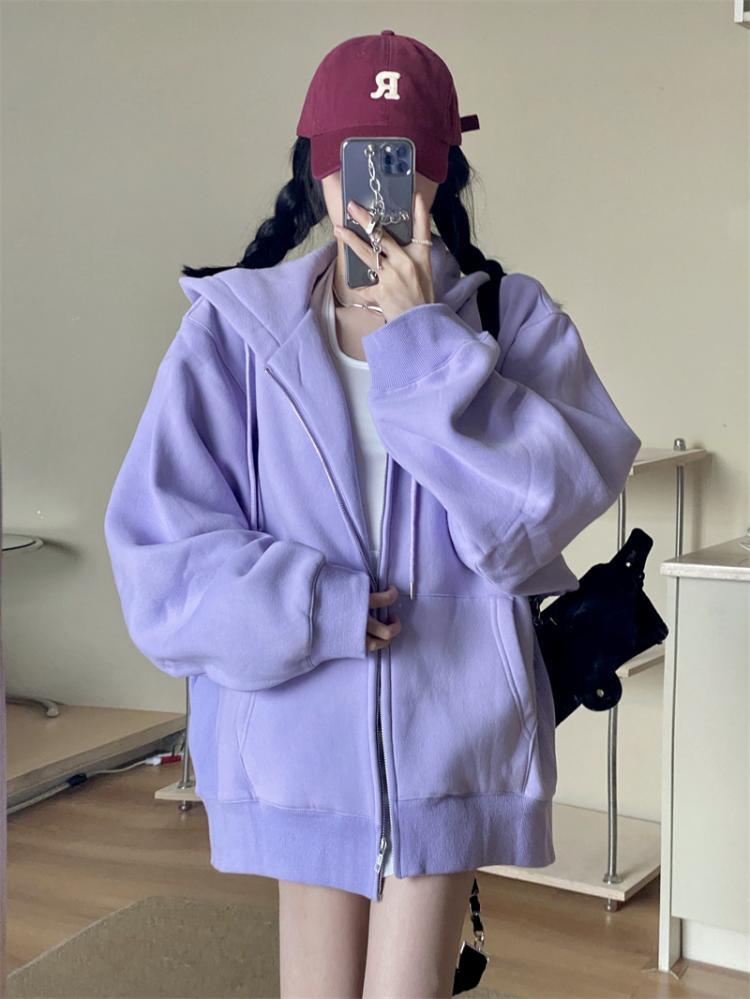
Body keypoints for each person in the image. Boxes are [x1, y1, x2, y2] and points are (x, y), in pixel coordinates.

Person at [104, 29, 642, 999]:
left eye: (402, 163)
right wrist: (317, 606)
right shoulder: (233, 332)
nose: (377, 193)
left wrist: (424, 343)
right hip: (295, 733)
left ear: (442, 171)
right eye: (354, 161)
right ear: (315, 169)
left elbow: (536, 517)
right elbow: (161, 555)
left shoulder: (510, 321)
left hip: (452, 739)